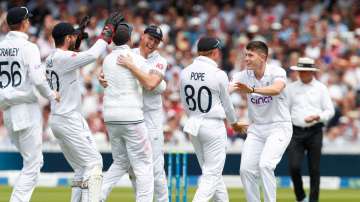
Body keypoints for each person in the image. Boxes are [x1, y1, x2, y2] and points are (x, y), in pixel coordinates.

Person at [45, 13, 124, 202]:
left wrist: (77, 39)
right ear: (67, 39)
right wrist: (107, 32)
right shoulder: (63, 58)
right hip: (67, 118)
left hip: (62, 118)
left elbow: (73, 59)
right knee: (94, 163)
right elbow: (91, 55)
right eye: (72, 36)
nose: (75, 38)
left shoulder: (52, 57)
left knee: (82, 168)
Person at [101, 25, 169, 202]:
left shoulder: (159, 61)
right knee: (132, 169)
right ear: (143, 36)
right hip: (132, 117)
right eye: (150, 38)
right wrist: (103, 79)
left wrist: (132, 67)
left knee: (155, 169)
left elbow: (151, 83)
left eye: (156, 41)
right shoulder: (129, 54)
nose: (152, 43)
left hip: (150, 120)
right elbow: (109, 74)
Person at [0, 7, 60, 202]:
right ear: (24, 23)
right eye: (28, 20)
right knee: (33, 164)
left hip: (8, 112)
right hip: (26, 109)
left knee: (33, 162)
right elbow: (38, 79)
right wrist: (52, 95)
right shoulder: (29, 47)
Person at [179, 36, 247, 202]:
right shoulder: (218, 74)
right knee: (212, 175)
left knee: (212, 174)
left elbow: (187, 103)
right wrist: (235, 124)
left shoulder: (185, 72)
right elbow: (227, 105)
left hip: (193, 124)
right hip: (212, 126)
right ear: (215, 52)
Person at [231, 41, 292, 202]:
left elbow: (277, 89)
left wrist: (251, 90)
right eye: (245, 55)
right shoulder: (243, 75)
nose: (246, 59)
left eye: (250, 55)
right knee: (245, 170)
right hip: (256, 129)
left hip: (279, 126)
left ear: (263, 57)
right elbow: (226, 90)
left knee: (265, 165)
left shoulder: (276, 71)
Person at [287, 57, 334, 202]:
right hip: (295, 132)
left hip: (315, 131)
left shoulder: (321, 88)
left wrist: (317, 117)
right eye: (300, 71)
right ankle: (301, 197)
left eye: (305, 71)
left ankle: (313, 200)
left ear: (311, 72)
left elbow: (330, 111)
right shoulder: (291, 88)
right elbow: (285, 111)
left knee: (314, 169)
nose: (302, 74)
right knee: (294, 166)